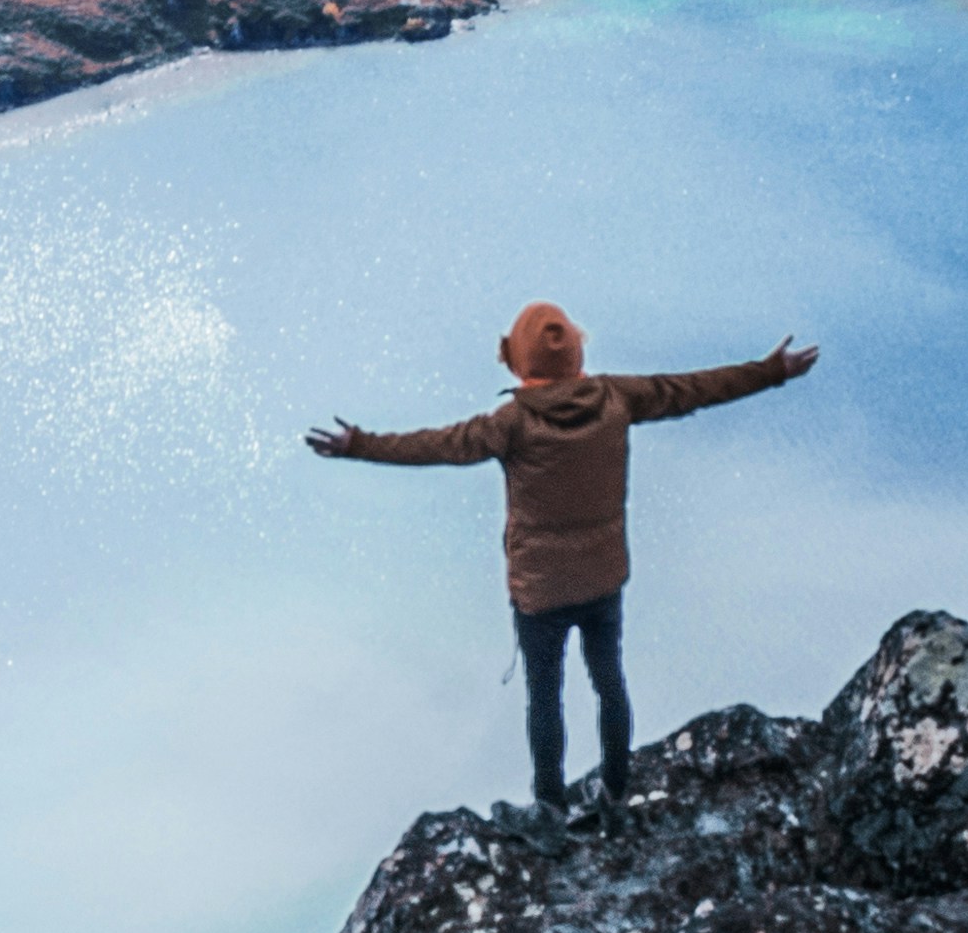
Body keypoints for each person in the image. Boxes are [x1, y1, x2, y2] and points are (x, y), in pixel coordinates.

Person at [309, 303, 819, 820]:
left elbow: (439, 446)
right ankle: (617, 801)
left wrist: (360, 445)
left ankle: (551, 812)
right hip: (603, 578)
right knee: (609, 684)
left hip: (541, 591)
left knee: (545, 698)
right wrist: (771, 371)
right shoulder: (618, 397)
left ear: (518, 362)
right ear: (578, 350)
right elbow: (692, 388)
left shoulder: (511, 422)